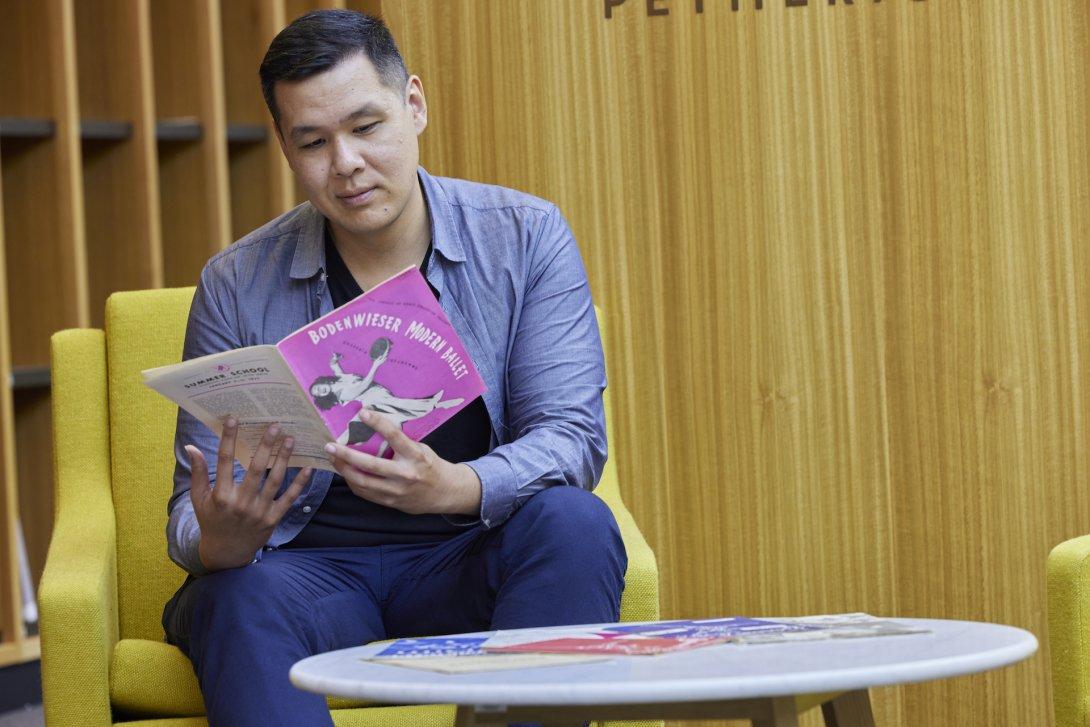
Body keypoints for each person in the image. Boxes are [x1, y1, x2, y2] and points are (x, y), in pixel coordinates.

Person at [161, 9, 626, 727]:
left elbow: (572, 438)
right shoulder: (234, 281)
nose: (344, 163)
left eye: (366, 126)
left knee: (575, 523)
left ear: (414, 104)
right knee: (231, 596)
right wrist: (220, 540)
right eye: (313, 141)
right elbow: (188, 511)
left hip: (463, 561)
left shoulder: (526, 237)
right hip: (310, 578)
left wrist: (455, 486)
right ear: (285, 148)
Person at [310, 346, 465, 454]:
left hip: (379, 394)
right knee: (396, 417)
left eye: (318, 387)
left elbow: (339, 374)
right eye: (318, 393)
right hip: (375, 400)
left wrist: (335, 363)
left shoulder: (339, 381)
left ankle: (434, 404)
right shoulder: (342, 395)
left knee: (395, 419)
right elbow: (363, 385)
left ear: (323, 382)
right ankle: (435, 404)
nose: (320, 391)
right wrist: (375, 365)